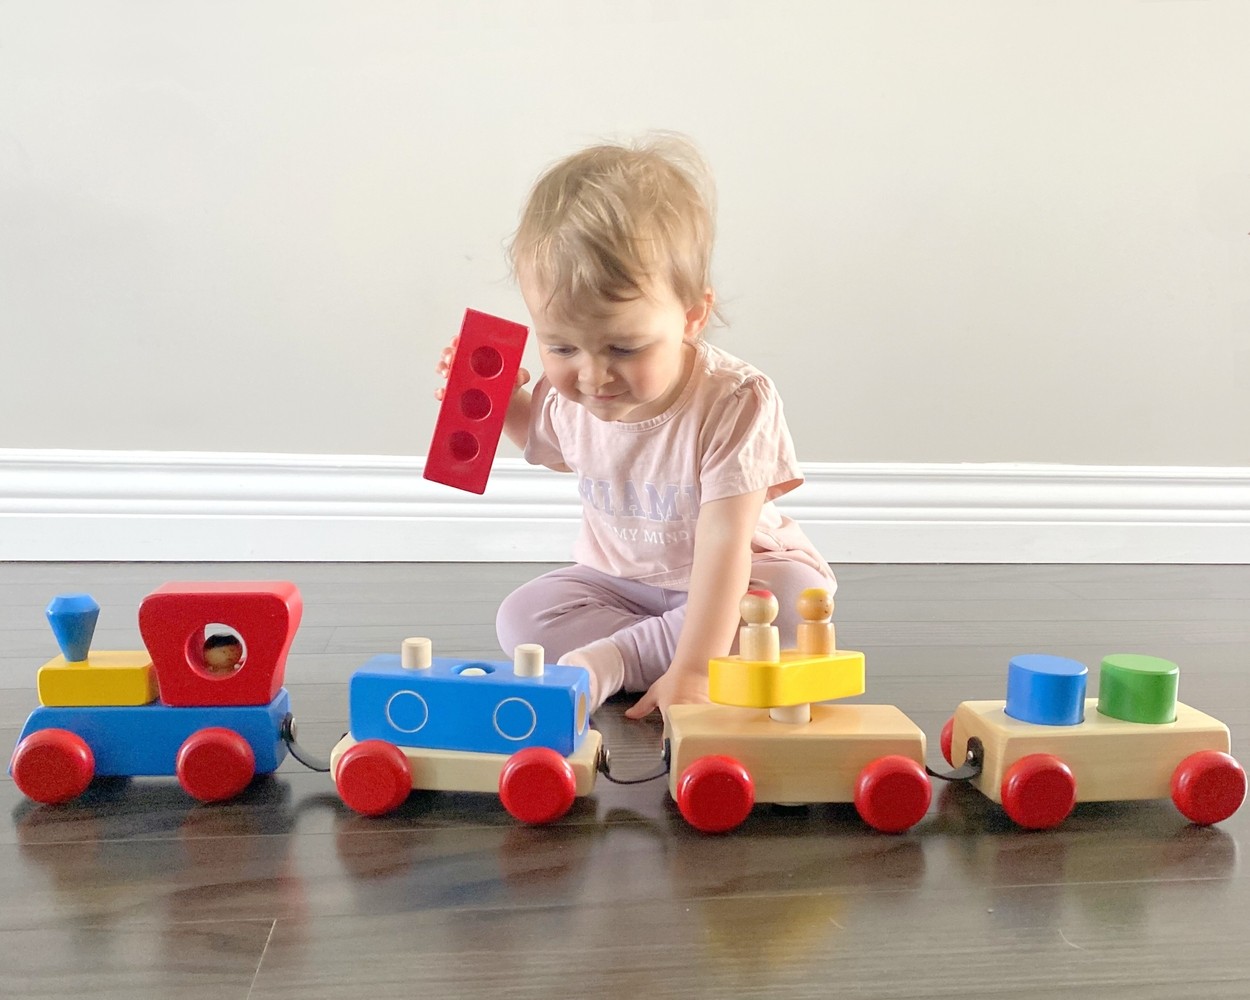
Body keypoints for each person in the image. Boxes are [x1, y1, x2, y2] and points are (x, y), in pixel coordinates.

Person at [437, 132, 835, 719]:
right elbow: (546, 439)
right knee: (521, 618)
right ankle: (661, 647)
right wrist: (497, 400)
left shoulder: (735, 401)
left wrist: (695, 671)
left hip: (737, 572)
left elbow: (725, 541)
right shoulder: (572, 396)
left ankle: (626, 660)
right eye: (562, 346)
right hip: (619, 581)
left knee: (794, 603)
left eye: (623, 347)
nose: (594, 376)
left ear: (693, 316)